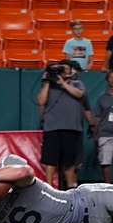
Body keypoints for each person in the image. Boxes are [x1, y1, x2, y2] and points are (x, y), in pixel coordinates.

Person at [36, 60, 86, 189]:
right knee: (50, 161)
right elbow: (41, 101)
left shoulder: (77, 83)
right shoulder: (49, 86)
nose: (62, 71)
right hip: (52, 128)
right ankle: (48, 188)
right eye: (60, 69)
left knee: (69, 163)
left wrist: (63, 83)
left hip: (71, 129)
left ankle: (71, 190)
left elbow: (79, 94)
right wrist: (47, 81)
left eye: (65, 68)